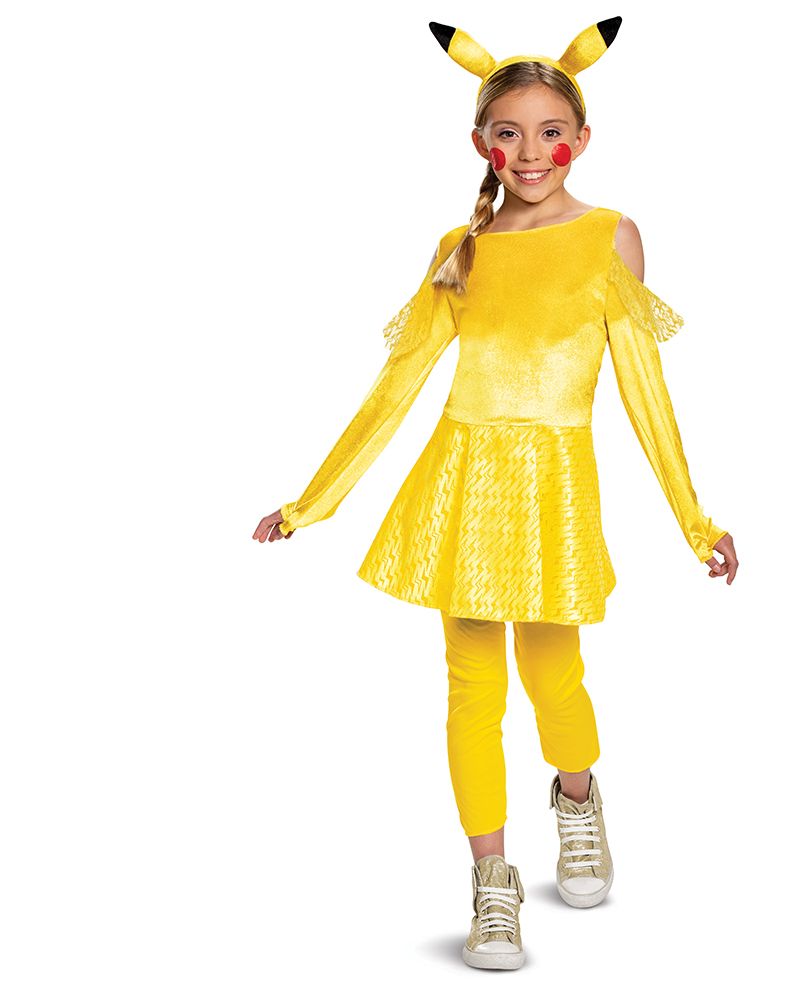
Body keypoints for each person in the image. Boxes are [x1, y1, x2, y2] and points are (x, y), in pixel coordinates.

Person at [253, 16, 739, 971]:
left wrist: (695, 522)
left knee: (554, 678)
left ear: (582, 139)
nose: (531, 152)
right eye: (509, 133)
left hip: (554, 488)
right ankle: (491, 883)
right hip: (465, 486)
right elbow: (397, 385)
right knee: (472, 688)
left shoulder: (610, 237)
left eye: (551, 131)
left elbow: (645, 392)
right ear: (481, 143)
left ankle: (578, 800)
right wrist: (312, 503)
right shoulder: (460, 248)